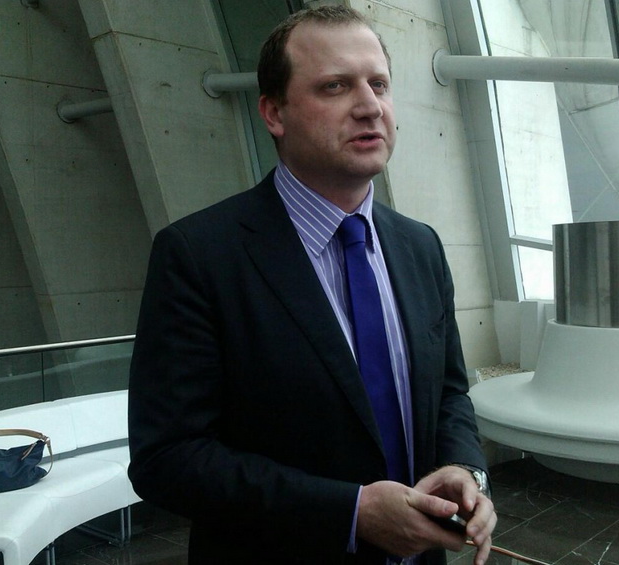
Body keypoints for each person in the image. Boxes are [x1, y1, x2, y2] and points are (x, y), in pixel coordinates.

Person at [127, 6, 497, 565]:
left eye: (379, 84)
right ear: (274, 113)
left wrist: (465, 469)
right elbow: (168, 458)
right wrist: (349, 512)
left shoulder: (421, 246)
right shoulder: (199, 255)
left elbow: (448, 393)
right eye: (335, 86)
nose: (370, 106)